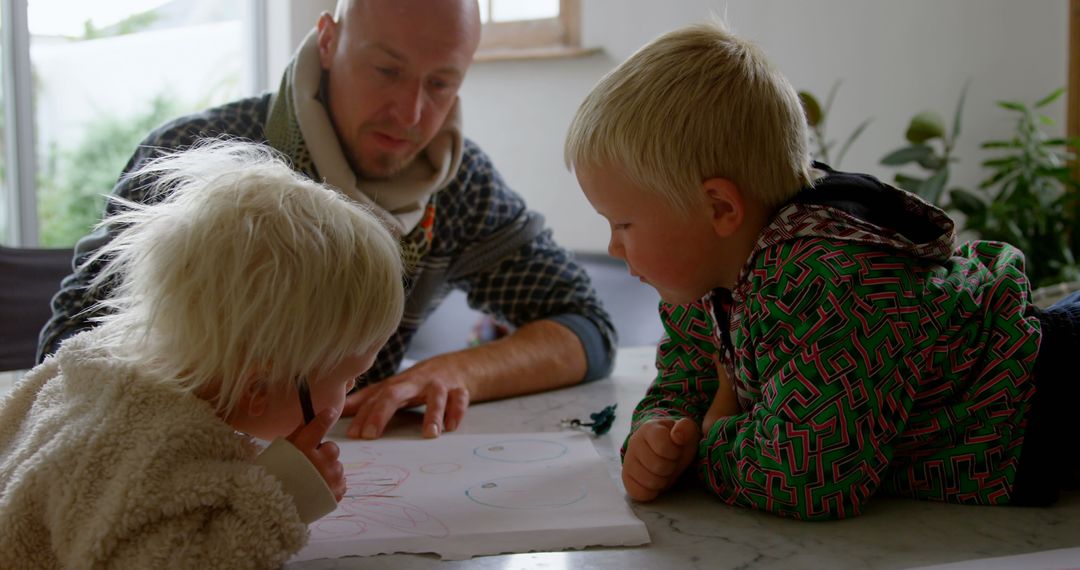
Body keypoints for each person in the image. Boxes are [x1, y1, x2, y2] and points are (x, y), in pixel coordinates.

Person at [564, 22, 1080, 520]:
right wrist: (659, 432)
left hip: (1051, 399)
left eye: (623, 224)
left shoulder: (828, 280)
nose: (612, 247)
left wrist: (709, 440)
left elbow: (808, 479)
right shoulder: (703, 276)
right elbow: (684, 377)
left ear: (720, 208)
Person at [38, 0, 616, 442]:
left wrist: (459, 372)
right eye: (387, 71)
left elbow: (586, 327)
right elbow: (71, 352)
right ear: (329, 38)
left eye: (441, 84)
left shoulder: (459, 184)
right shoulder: (197, 155)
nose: (412, 115)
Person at [0, 141, 404, 566]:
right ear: (259, 385)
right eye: (348, 379)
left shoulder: (91, 371)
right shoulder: (154, 451)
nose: (352, 390)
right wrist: (285, 497)